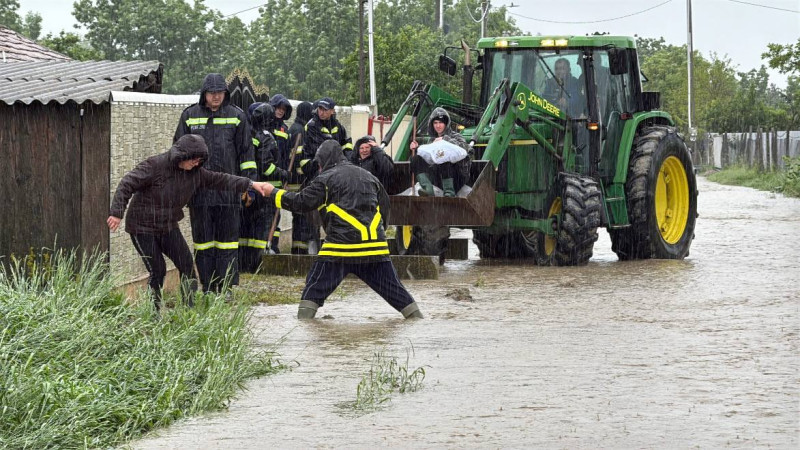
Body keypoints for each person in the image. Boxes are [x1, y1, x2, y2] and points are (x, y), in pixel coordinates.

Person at [262, 140, 423, 319]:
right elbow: (385, 210)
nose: (319, 168)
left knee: (313, 289)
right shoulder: (369, 176)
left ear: (325, 161)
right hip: (375, 250)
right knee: (396, 292)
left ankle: (303, 325)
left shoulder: (325, 179)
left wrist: (273, 193)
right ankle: (418, 320)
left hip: (339, 251)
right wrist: (378, 237)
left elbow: (301, 202)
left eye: (320, 163)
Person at [108, 135, 270, 310]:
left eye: (200, 160)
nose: (196, 163)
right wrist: (117, 212)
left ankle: (188, 310)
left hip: (168, 226)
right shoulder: (154, 165)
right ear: (181, 155)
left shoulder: (197, 174)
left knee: (187, 265)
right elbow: (127, 183)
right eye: (194, 159)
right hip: (142, 227)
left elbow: (222, 179)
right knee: (158, 269)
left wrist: (251, 184)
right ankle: (152, 312)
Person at [173, 73, 257, 295]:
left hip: (229, 192)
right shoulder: (189, 116)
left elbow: (246, 154)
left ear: (225, 94)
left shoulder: (237, 116)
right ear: (204, 94)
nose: (216, 97)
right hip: (198, 193)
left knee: (228, 243)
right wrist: (180, 189)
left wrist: (249, 186)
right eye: (212, 93)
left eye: (220, 93)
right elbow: (178, 153)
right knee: (203, 243)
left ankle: (226, 286)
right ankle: (208, 286)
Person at [292, 97, 353, 254]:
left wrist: (347, 161)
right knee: (314, 210)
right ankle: (313, 244)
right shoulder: (312, 126)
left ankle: (336, 242)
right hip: (316, 172)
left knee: (337, 209)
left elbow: (346, 146)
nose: (322, 112)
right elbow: (323, 150)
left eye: (325, 109)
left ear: (333, 111)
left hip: (335, 173)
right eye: (320, 109)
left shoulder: (339, 127)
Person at [239, 102, 289, 271]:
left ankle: (243, 263)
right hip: (264, 190)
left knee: (246, 228)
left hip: (249, 186)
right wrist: (283, 173)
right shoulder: (266, 137)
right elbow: (266, 166)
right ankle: (256, 264)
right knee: (261, 228)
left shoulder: (247, 134)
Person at [409, 107, 471, 197]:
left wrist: (445, 140)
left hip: (456, 177)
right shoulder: (431, 140)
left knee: (443, 157)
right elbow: (429, 158)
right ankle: (428, 189)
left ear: (446, 123)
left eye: (440, 122)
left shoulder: (456, 136)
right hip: (438, 177)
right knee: (415, 159)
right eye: (435, 123)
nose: (438, 126)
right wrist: (417, 148)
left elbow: (466, 149)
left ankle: (449, 193)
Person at [266, 94, 294, 253]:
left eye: (283, 109)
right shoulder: (266, 125)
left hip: (280, 177)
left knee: (276, 216)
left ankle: (274, 246)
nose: (280, 111)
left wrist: (285, 175)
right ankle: (265, 245)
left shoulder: (285, 129)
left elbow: (286, 154)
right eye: (278, 108)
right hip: (265, 177)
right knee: (267, 216)